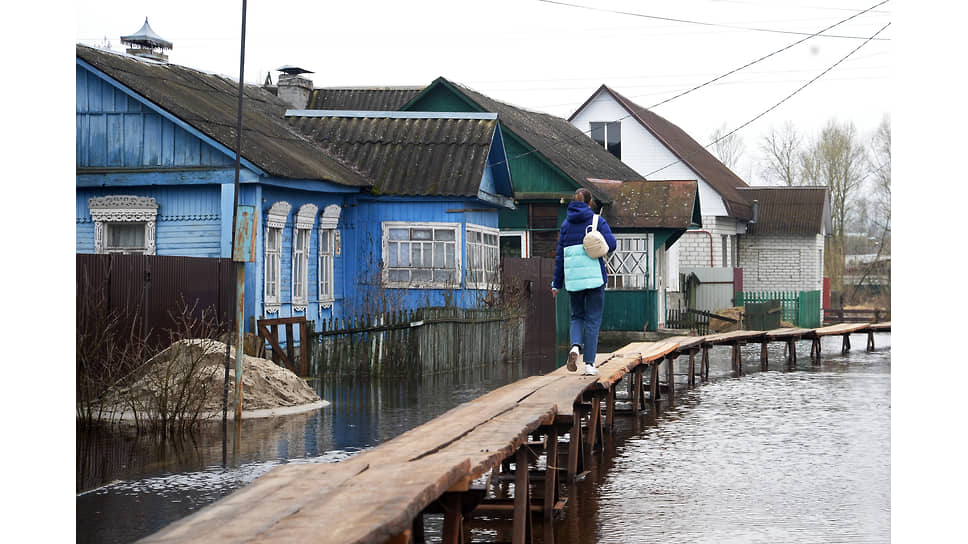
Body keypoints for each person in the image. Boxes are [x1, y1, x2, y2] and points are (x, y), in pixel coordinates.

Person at [551, 188, 617, 375]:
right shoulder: (597, 221)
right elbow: (612, 245)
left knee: (577, 316)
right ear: (590, 203)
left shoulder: (566, 225)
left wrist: (556, 284)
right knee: (593, 319)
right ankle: (589, 364)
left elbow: (560, 257)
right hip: (595, 277)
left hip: (574, 280)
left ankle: (574, 348)